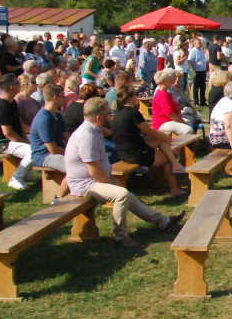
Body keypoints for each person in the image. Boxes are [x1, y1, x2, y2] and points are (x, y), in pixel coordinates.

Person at [65, 98, 185, 248]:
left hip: (92, 180)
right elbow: (94, 172)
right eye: (109, 113)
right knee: (121, 194)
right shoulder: (86, 136)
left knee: (127, 194)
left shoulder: (94, 131)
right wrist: (113, 183)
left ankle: (164, 222)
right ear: (98, 117)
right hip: (84, 185)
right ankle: (121, 237)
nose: (111, 117)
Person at [112, 85, 184, 197]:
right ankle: (174, 189)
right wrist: (164, 137)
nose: (137, 97)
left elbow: (146, 133)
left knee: (161, 140)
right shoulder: (133, 113)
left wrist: (161, 137)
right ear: (131, 98)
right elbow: (150, 131)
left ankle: (169, 170)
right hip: (135, 153)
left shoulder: (118, 112)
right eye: (136, 95)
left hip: (123, 151)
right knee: (167, 159)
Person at [0, 74, 35, 190]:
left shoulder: (12, 102)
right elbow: (7, 133)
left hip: (13, 139)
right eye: (16, 83)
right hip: (1, 143)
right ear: (10, 87)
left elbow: (19, 123)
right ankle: (16, 178)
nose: (19, 84)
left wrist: (25, 138)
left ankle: (26, 173)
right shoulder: (2, 106)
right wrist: (24, 142)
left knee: (39, 143)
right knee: (32, 151)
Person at [29, 84, 70, 200]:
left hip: (55, 152)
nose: (65, 99)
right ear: (55, 97)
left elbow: (67, 136)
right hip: (44, 156)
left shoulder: (56, 115)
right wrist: (72, 153)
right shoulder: (44, 119)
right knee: (75, 167)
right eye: (63, 96)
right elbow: (53, 149)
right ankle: (58, 197)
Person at [151, 70, 194, 135]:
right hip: (161, 123)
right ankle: (180, 144)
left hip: (168, 120)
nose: (172, 80)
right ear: (163, 81)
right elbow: (169, 113)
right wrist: (182, 122)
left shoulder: (167, 93)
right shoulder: (161, 95)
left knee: (189, 123)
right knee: (188, 130)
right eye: (169, 79)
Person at [188, 37, 208, 107]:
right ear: (195, 44)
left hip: (202, 71)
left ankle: (203, 101)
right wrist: (193, 70)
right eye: (199, 43)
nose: (201, 44)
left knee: (203, 87)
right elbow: (190, 61)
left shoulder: (201, 51)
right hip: (197, 71)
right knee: (196, 87)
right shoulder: (193, 51)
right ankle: (196, 102)